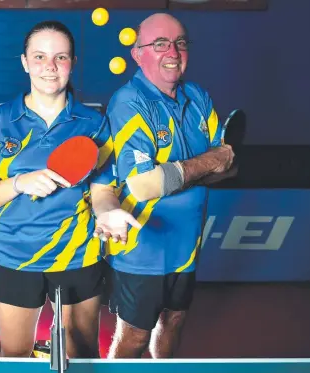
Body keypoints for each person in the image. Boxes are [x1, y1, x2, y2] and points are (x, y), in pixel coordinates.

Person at [0, 20, 139, 358]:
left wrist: (109, 211)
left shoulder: (94, 124)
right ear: (24, 62)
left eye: (60, 57)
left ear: (73, 63)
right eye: (40, 56)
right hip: (15, 257)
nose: (50, 67)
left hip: (77, 255)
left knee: (82, 350)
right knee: (15, 356)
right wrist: (19, 183)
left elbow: (103, 190)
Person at [104, 13, 236, 359]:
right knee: (133, 336)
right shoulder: (129, 102)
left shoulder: (198, 97)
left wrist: (177, 173)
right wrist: (207, 162)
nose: (172, 52)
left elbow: (228, 166)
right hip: (141, 249)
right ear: (138, 53)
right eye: (160, 44)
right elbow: (144, 186)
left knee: (174, 321)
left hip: (187, 244)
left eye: (179, 43)